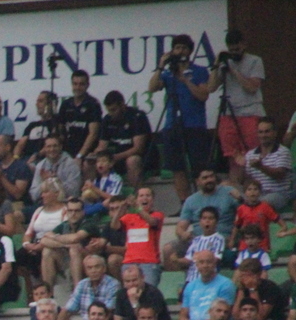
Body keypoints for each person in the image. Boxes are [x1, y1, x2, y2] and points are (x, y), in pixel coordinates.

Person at [148, 34, 211, 202]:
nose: (180, 51)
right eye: (177, 48)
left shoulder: (199, 71)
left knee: (199, 167)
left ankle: (203, 202)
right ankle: (185, 204)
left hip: (195, 124)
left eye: (184, 48)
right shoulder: (168, 73)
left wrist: (185, 80)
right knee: (177, 168)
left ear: (190, 51)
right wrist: (161, 66)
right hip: (172, 124)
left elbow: (203, 95)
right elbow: (152, 88)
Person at [208, 30, 265, 186]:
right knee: (232, 156)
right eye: (231, 50)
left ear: (243, 45)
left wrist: (233, 70)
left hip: (250, 112)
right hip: (229, 113)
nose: (235, 53)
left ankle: (253, 190)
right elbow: (211, 88)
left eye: (237, 49)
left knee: (252, 154)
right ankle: (236, 192)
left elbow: (252, 87)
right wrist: (216, 65)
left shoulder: (255, 61)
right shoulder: (224, 63)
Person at [110, 187, 164, 287]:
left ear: (153, 200)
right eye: (141, 196)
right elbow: (114, 225)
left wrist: (137, 207)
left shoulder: (157, 215)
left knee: (148, 291)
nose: (144, 198)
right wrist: (122, 208)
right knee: (130, 291)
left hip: (149, 262)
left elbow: (152, 222)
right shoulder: (129, 217)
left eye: (148, 195)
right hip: (129, 261)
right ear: (137, 199)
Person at [96, 91, 151, 188]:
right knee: (90, 163)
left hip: (143, 158)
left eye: (113, 110)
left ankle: (137, 195)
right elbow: (102, 146)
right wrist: (95, 155)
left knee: (132, 161)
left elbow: (138, 148)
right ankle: (92, 195)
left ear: (122, 105)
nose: (111, 114)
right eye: (109, 110)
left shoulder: (137, 117)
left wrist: (115, 157)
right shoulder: (107, 120)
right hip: (118, 159)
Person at [237, 117, 292, 213]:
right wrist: (242, 166)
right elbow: (242, 181)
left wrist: (260, 167)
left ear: (275, 133)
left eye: (267, 132)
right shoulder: (250, 154)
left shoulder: (283, 152)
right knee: (229, 193)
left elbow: (279, 175)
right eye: (260, 132)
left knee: (259, 204)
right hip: (255, 193)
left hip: (278, 194)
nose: (263, 135)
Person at [56, 70, 102, 171]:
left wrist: (80, 156)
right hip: (67, 151)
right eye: (75, 84)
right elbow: (60, 132)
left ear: (87, 85)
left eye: (81, 84)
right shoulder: (66, 104)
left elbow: (93, 134)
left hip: (87, 152)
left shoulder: (93, 104)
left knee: (86, 164)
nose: (77, 87)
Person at [29, 136, 82, 204]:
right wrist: (45, 182)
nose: (52, 149)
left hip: (66, 203)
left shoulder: (71, 164)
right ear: (44, 148)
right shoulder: (40, 166)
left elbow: (74, 192)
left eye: (55, 146)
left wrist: (54, 181)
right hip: (45, 204)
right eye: (49, 146)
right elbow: (33, 195)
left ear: (60, 147)